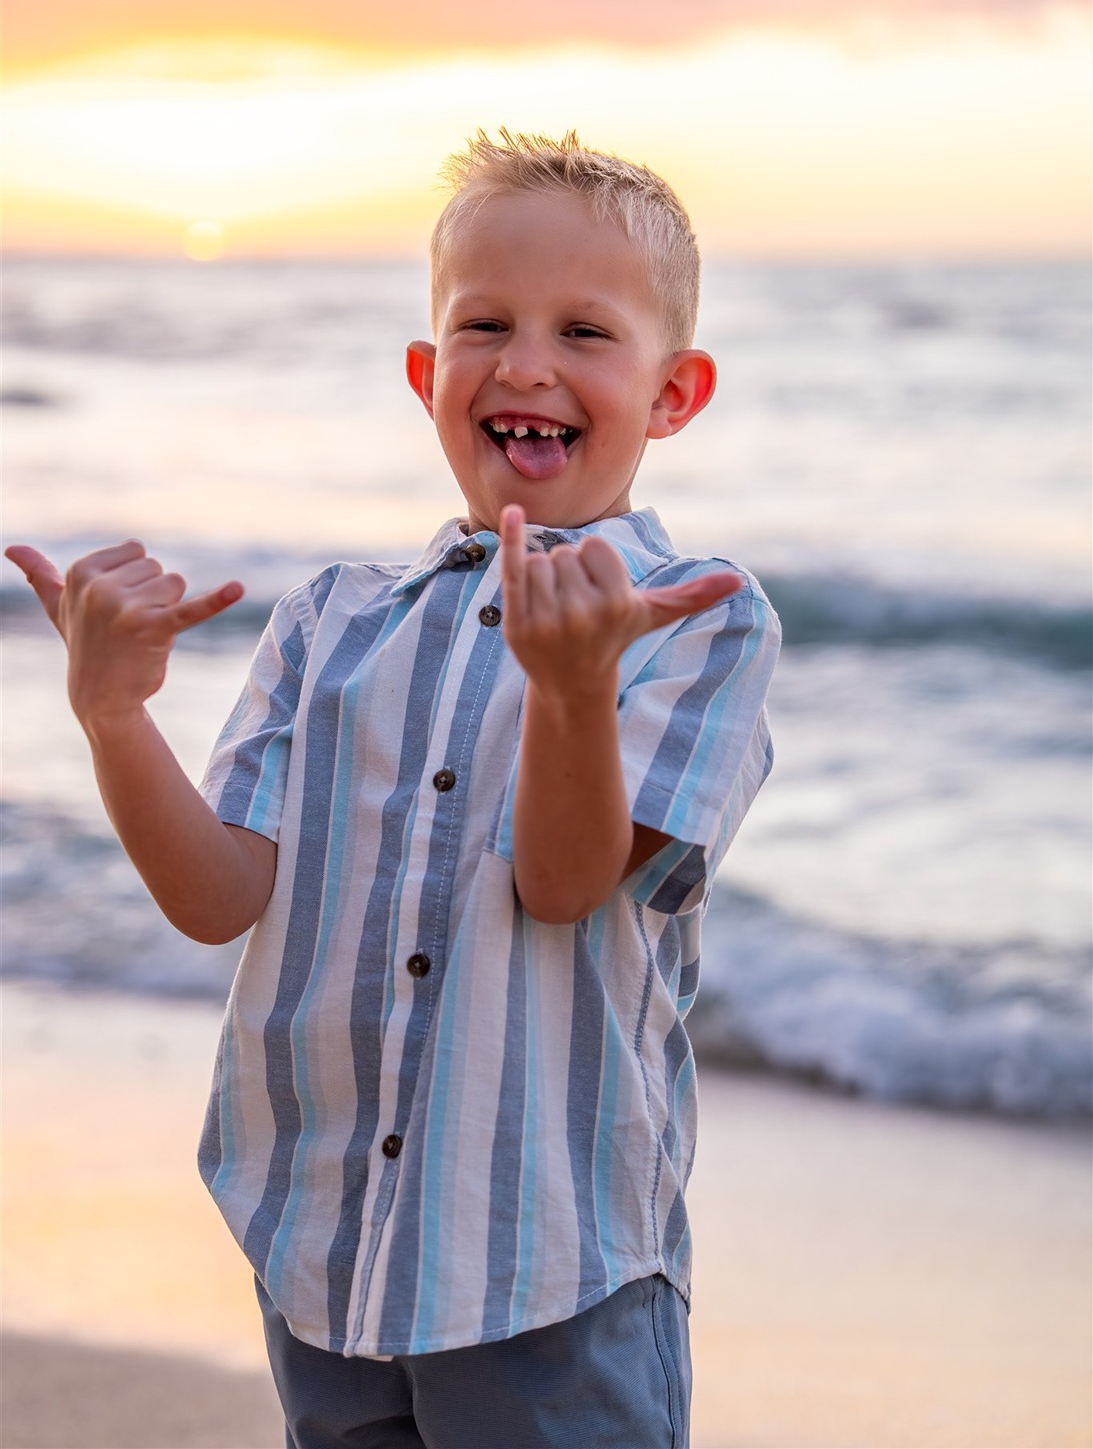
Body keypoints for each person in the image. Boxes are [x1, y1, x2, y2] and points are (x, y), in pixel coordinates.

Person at [7, 129, 780, 1449]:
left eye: (583, 331)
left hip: (547, 1268)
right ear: (428, 377)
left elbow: (564, 886)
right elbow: (216, 898)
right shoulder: (330, 622)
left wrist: (569, 692)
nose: (524, 363)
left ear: (673, 393)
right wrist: (113, 714)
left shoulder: (695, 618)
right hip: (323, 1245)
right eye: (484, 324)